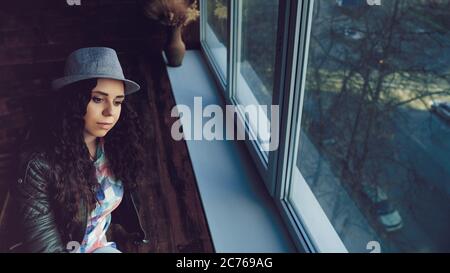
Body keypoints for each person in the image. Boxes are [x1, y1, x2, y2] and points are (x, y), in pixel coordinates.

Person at [8, 47, 149, 253]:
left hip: (100, 246)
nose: (110, 111)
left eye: (118, 102)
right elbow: (45, 246)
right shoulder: (38, 165)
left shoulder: (116, 145)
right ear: (73, 100)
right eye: (98, 99)